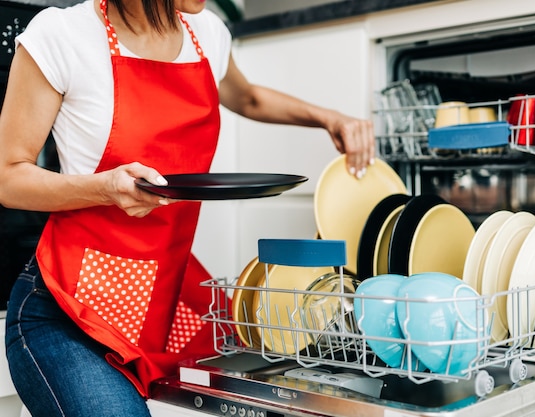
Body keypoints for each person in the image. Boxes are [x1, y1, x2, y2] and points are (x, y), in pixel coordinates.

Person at [0, 0, 375, 415]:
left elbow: (247, 98)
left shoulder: (207, 32)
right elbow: (8, 176)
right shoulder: (63, 35)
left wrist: (330, 119)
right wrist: (105, 188)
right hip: (67, 310)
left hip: (164, 298)